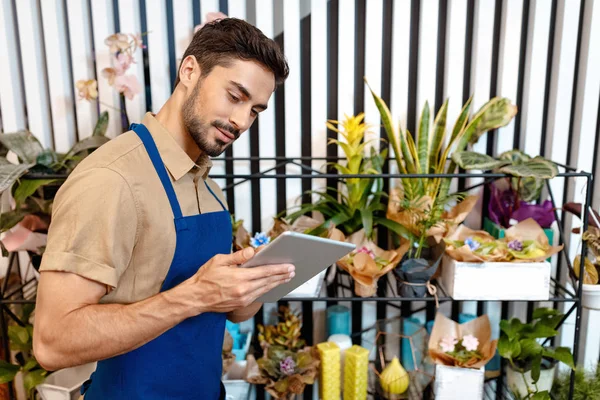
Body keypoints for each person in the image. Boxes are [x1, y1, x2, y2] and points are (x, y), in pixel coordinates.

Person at [33, 18, 292, 399]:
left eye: (254, 110)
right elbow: (52, 343)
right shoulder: (111, 179)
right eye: (234, 96)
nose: (241, 121)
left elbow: (232, 311)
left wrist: (264, 278)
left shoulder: (208, 184)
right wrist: (195, 295)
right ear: (190, 71)